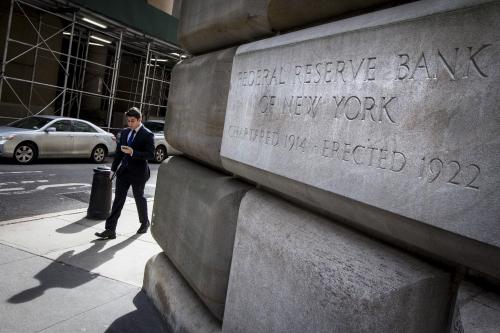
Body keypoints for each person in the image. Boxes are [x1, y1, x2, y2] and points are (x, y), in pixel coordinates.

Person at [95, 107, 154, 239]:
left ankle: (144, 222)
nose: (130, 124)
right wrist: (113, 170)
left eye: (132, 121)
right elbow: (118, 154)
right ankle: (110, 230)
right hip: (124, 172)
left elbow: (150, 154)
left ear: (139, 119)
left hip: (139, 173)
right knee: (118, 200)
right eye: (128, 121)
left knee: (139, 198)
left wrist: (133, 152)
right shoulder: (125, 132)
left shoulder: (147, 134)